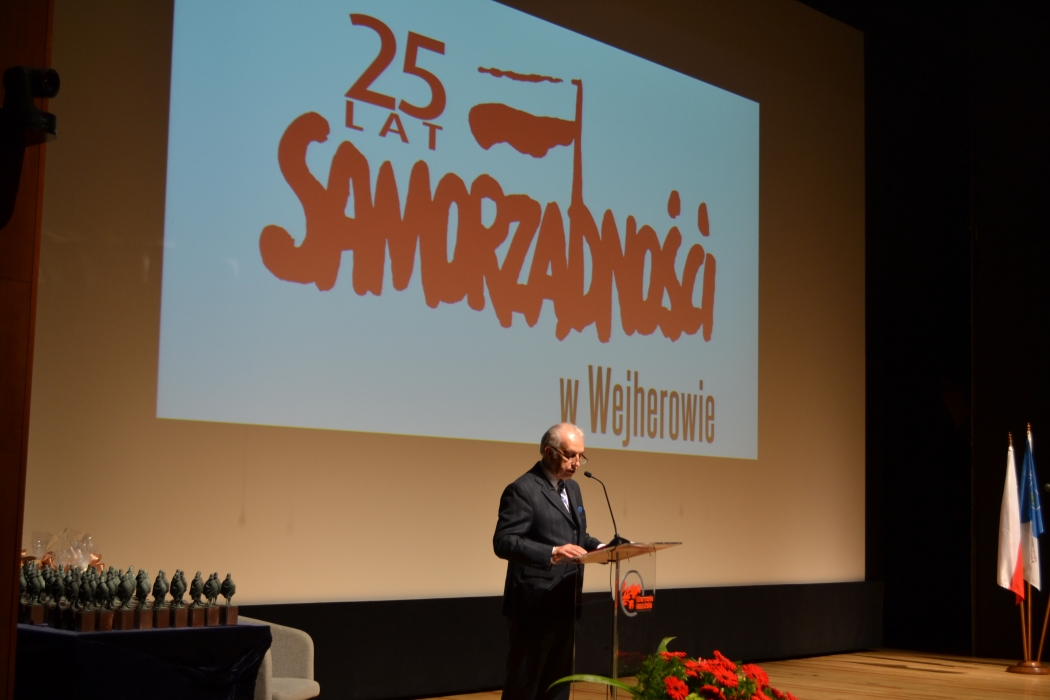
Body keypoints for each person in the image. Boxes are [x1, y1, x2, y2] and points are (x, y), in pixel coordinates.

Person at [493, 423, 604, 700]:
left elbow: (577, 536)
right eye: (570, 455)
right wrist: (552, 552)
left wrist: (603, 548)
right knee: (524, 688)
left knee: (557, 687)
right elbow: (504, 541)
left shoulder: (573, 488)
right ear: (549, 452)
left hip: (565, 600)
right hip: (533, 605)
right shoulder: (522, 489)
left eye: (581, 455)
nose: (577, 462)